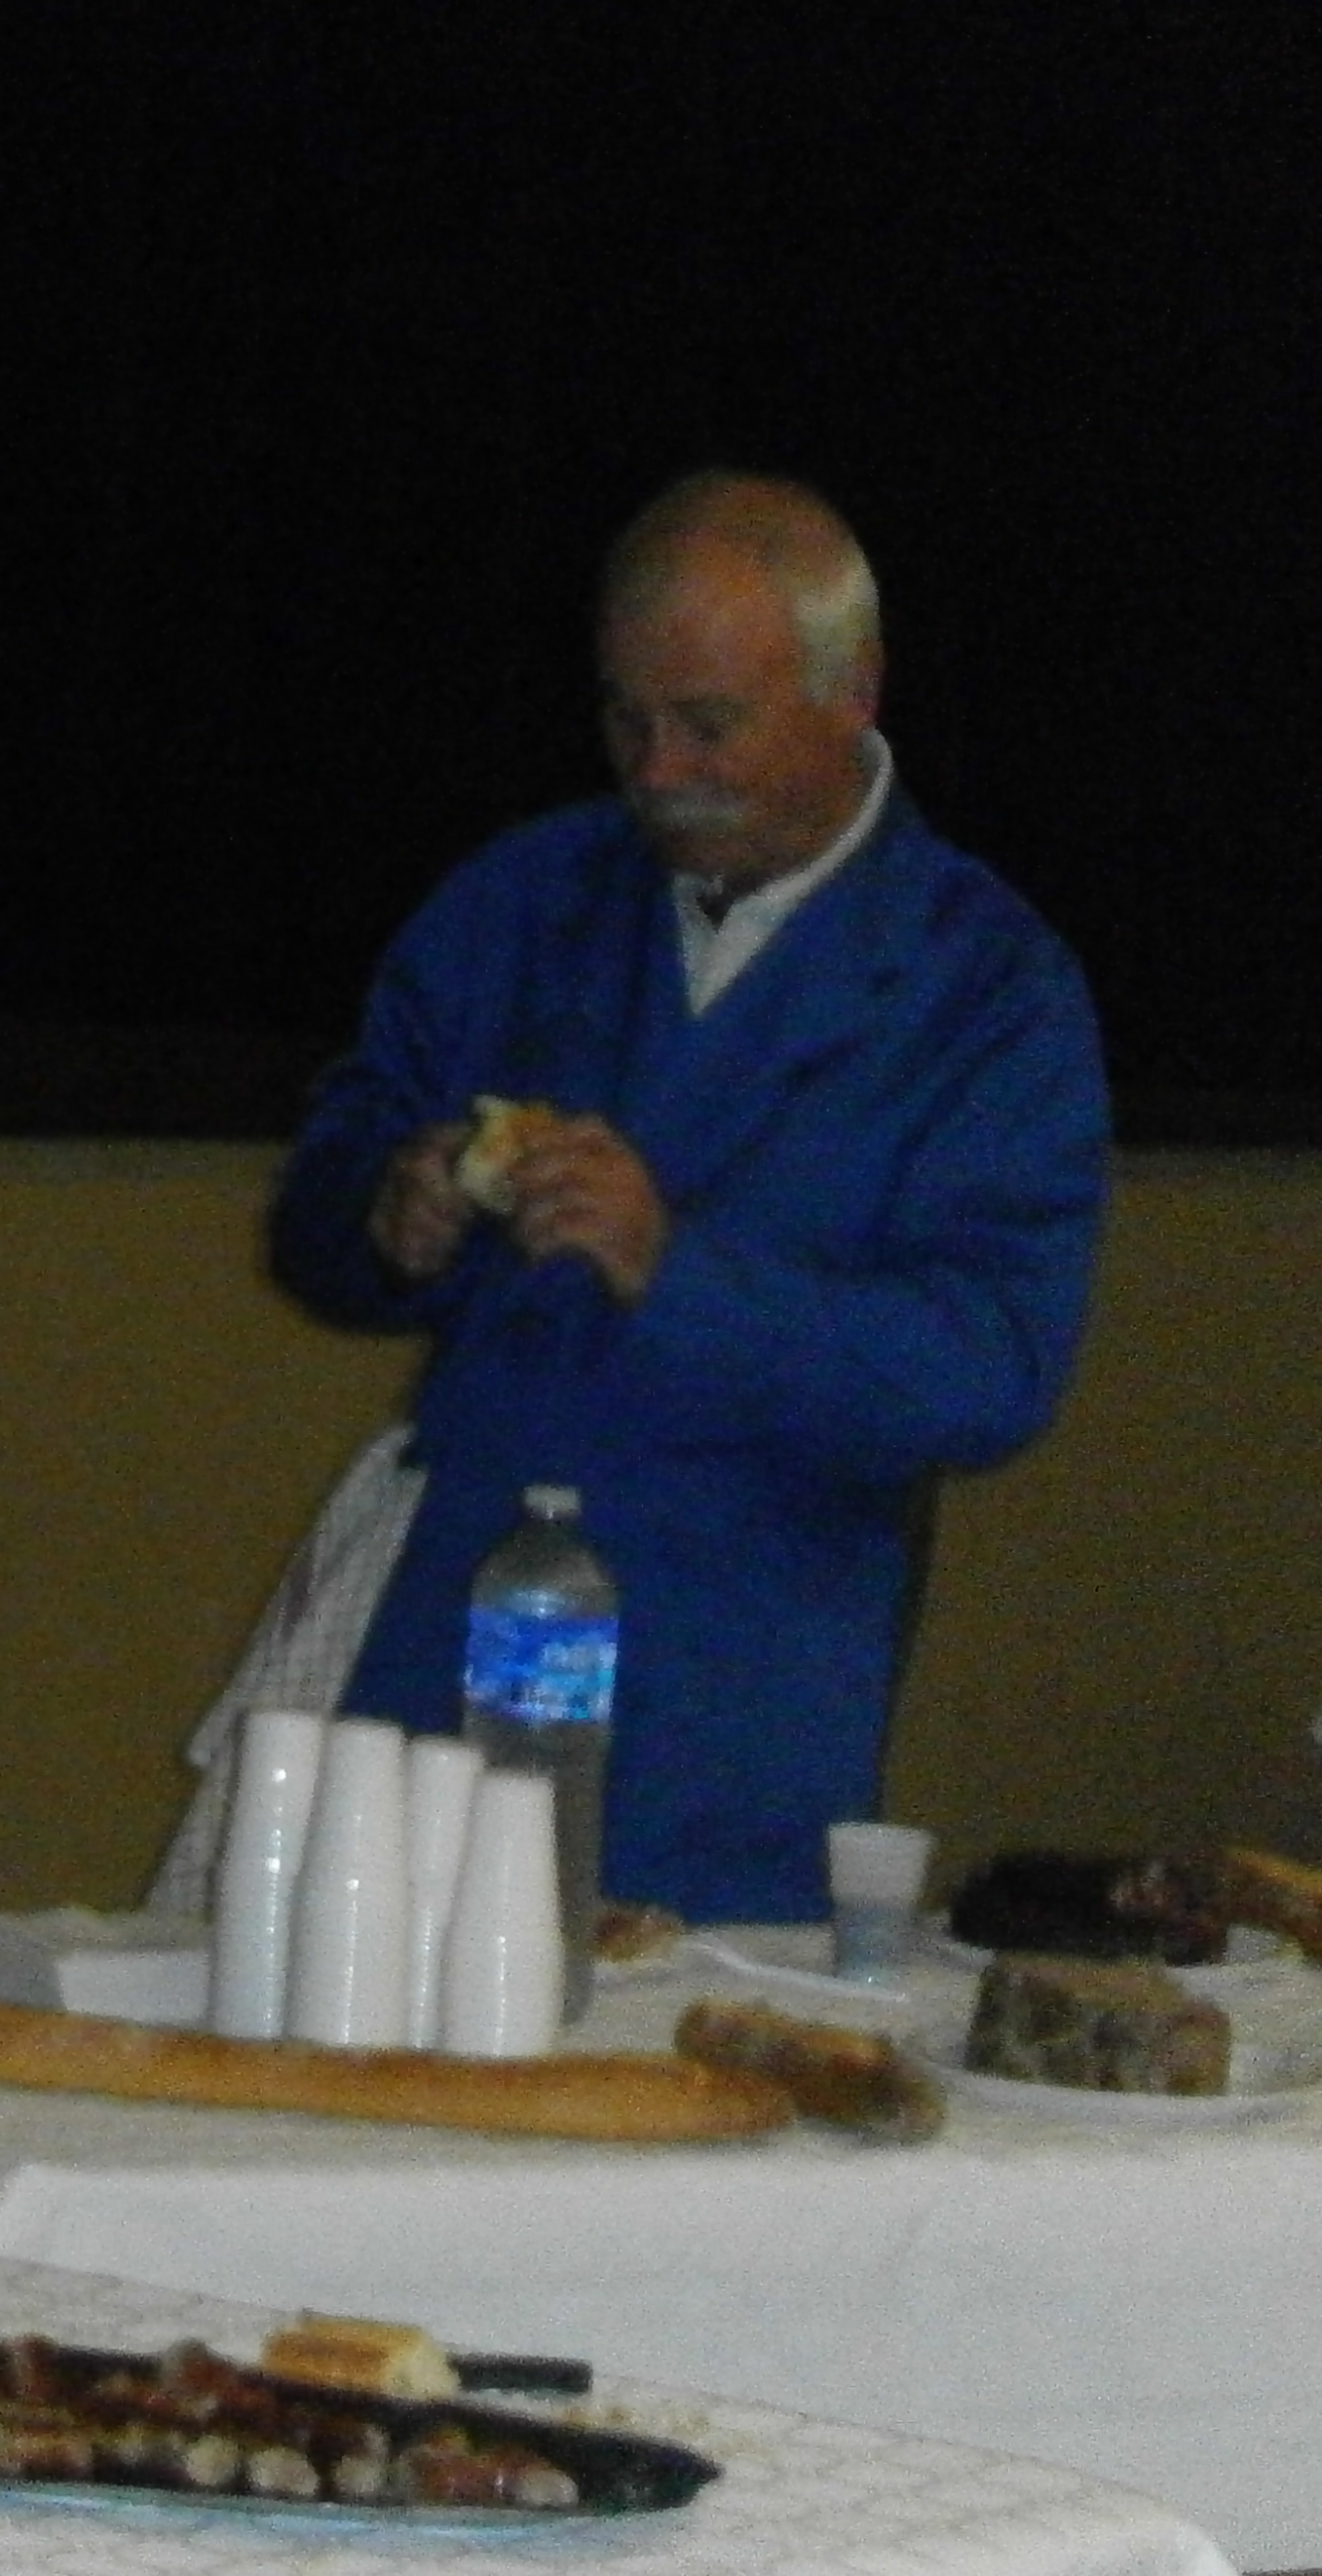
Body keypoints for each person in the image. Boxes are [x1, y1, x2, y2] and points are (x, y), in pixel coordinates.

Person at [268, 471, 1107, 1923]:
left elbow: (991, 1373)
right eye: (625, 719)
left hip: (736, 1686)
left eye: (708, 725)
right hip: (446, 1641)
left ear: (853, 693)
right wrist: (383, 1218)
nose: (656, 772)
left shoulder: (985, 987)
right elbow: (322, 1204)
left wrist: (678, 1271)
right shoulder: (521, 901)